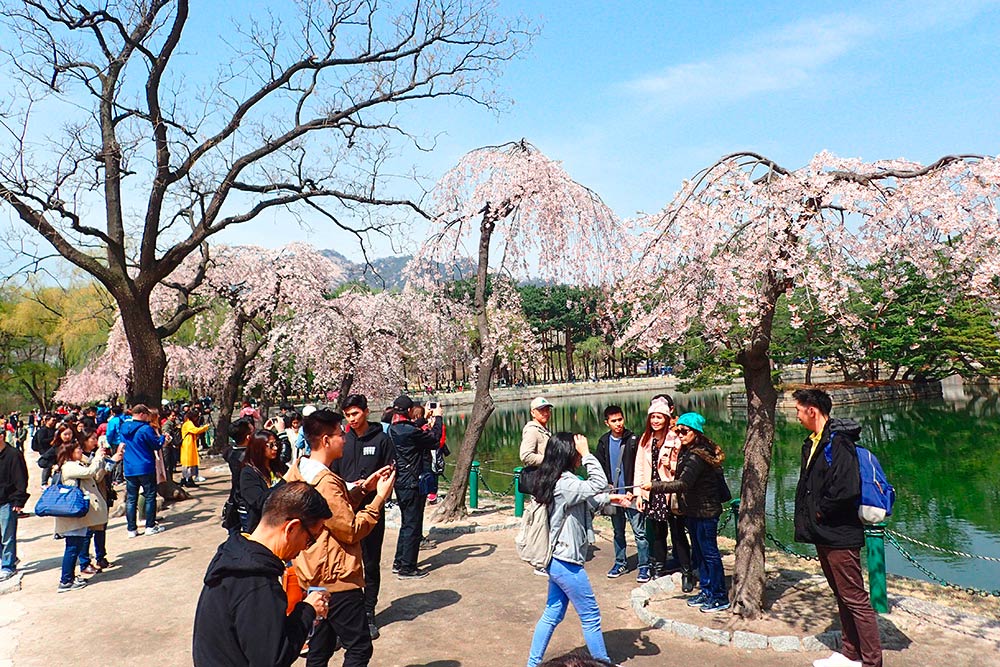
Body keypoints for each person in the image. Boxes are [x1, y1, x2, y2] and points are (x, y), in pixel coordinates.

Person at [284, 408, 396, 667]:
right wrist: (379, 497)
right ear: (325, 440)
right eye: (339, 433)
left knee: (319, 649)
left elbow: (330, 514)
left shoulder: (299, 469)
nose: (345, 437)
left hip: (312, 575)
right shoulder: (324, 482)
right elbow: (350, 529)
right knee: (359, 648)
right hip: (336, 577)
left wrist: (364, 487)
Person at [192, 481, 333, 667]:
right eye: (309, 540)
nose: (305, 549)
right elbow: (273, 659)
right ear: (291, 528)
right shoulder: (257, 581)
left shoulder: (235, 554)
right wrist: (308, 610)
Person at [792, 389, 882, 667]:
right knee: (842, 595)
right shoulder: (813, 442)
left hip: (839, 531)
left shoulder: (838, 441)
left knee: (855, 598)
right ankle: (849, 653)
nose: (796, 415)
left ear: (812, 410)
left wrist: (821, 511)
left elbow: (845, 488)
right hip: (823, 531)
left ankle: (871, 661)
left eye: (798, 409)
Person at [525, 432, 623, 667]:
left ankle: (533, 663)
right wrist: (588, 454)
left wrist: (613, 499)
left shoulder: (555, 478)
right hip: (565, 561)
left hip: (557, 559)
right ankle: (603, 663)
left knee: (553, 613)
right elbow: (596, 484)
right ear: (568, 455)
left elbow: (584, 498)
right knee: (590, 616)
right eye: (576, 453)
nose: (579, 456)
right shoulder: (565, 483)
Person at [641, 412, 728, 612]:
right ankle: (706, 590)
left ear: (696, 432)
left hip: (705, 513)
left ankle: (719, 595)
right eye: (677, 430)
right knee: (699, 553)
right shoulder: (689, 451)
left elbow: (683, 483)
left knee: (710, 555)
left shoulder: (697, 455)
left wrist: (654, 486)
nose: (679, 434)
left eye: (684, 431)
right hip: (694, 512)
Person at [335, 394, 397, 640]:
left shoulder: (382, 439)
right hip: (344, 510)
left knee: (370, 563)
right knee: (344, 564)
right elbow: (332, 475)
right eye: (348, 415)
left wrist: (374, 488)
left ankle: (368, 613)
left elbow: (391, 474)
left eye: (356, 414)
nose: (352, 419)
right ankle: (346, 616)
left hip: (372, 510)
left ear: (366, 411)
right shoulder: (342, 441)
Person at [633, 395, 693, 588]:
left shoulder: (676, 437)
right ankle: (659, 567)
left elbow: (684, 468)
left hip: (670, 490)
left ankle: (686, 571)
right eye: (653, 417)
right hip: (651, 490)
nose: (656, 421)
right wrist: (639, 494)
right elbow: (640, 467)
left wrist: (671, 464)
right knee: (658, 533)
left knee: (678, 533)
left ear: (667, 418)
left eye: (659, 417)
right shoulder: (646, 439)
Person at [387, 395, 442, 579]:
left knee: (406, 523)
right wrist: (439, 418)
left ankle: (399, 561)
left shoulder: (394, 429)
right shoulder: (409, 431)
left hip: (401, 482)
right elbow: (434, 439)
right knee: (413, 525)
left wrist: (425, 418)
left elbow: (412, 429)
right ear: (409, 411)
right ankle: (407, 568)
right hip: (412, 482)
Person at [595, 405, 650, 583]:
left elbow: (640, 466)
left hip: (632, 493)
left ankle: (644, 566)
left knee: (639, 532)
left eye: (620, 419)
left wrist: (634, 491)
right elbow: (600, 468)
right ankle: (620, 562)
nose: (618, 424)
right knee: (618, 531)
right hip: (614, 494)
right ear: (607, 423)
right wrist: (607, 488)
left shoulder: (634, 439)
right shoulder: (603, 441)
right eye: (614, 421)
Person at [53, 438, 108, 592]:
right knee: (72, 548)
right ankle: (65, 581)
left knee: (75, 547)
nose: (80, 452)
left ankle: (69, 577)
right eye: (77, 450)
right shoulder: (69, 466)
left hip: (76, 514)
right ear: (70, 453)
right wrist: (97, 457)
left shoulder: (73, 465)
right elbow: (90, 472)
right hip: (72, 514)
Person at [77, 429, 123, 572]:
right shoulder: (81, 459)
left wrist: (110, 460)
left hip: (102, 495)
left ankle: (101, 557)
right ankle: (84, 561)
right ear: (84, 441)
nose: (96, 442)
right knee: (88, 531)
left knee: (101, 528)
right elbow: (96, 476)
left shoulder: (95, 454)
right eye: (93, 439)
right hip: (90, 498)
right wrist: (111, 461)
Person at [120, 404, 168, 538]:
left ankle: (131, 529)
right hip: (145, 466)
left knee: (131, 500)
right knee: (150, 496)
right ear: (141, 414)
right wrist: (163, 438)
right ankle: (150, 526)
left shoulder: (123, 427)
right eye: (147, 415)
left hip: (129, 468)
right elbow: (156, 445)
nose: (148, 418)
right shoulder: (145, 429)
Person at [239, 430, 288, 533]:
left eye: (276, 444)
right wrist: (284, 483)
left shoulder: (280, 467)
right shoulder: (248, 473)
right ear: (258, 447)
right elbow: (258, 501)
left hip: (284, 524)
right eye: (270, 445)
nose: (275, 448)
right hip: (262, 528)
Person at [0, 425, 29, 581]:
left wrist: (19, 500)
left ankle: (8, 565)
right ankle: (10, 558)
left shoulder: (13, 455)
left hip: (8, 501)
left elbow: (21, 478)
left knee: (7, 535)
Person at [180, 409, 211, 488]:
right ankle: (188, 479)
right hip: (188, 445)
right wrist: (205, 427)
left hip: (189, 444)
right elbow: (195, 430)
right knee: (188, 463)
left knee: (189, 462)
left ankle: (186, 478)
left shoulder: (187, 423)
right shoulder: (188, 423)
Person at [519, 396, 553, 466]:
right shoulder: (532, 431)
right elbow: (525, 456)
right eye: (541, 410)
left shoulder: (544, 430)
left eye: (547, 410)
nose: (546, 413)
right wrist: (550, 460)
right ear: (533, 413)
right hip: (539, 474)